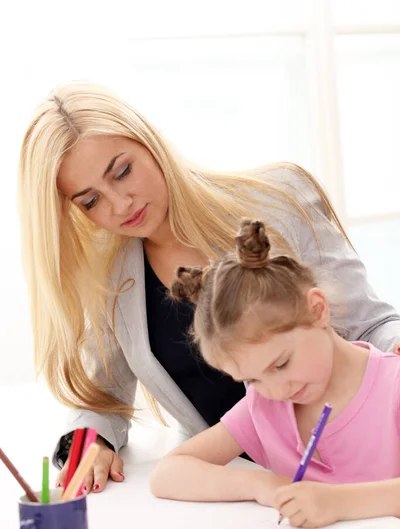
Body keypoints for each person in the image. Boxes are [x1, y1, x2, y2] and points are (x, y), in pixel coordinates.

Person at [18, 81, 400, 494]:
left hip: (358, 460)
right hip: (239, 488)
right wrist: (91, 441)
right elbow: (104, 392)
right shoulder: (112, 280)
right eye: (90, 201)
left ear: (150, 143)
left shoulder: (280, 198)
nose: (120, 204)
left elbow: (369, 325)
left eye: (123, 171)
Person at [150, 219, 400, 528]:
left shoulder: (393, 387)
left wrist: (337, 503)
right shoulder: (265, 405)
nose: (276, 390)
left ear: (317, 310)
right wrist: (264, 486)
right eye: (251, 379)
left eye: (280, 364)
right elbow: (168, 473)